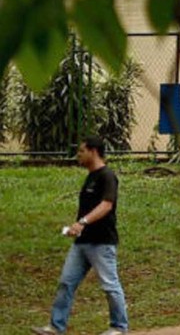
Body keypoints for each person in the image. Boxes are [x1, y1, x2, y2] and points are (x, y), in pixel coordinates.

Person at [33, 136, 129, 335]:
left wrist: (82, 222)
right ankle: (56, 326)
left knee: (110, 285)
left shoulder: (107, 176)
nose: (79, 155)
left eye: (81, 151)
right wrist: (76, 228)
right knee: (66, 282)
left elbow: (107, 204)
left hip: (101, 242)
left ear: (93, 151)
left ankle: (119, 327)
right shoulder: (90, 177)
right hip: (82, 242)